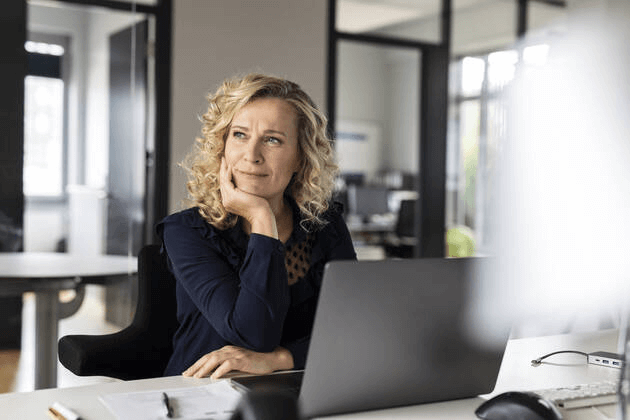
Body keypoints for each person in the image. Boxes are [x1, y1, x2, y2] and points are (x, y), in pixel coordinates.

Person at [157, 73, 357, 379]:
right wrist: (263, 218)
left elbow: (351, 328)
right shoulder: (186, 232)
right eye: (239, 135)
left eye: (273, 140)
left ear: (301, 158)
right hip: (202, 393)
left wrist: (282, 359)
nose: (252, 156)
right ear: (221, 146)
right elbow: (252, 335)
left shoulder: (325, 224)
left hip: (302, 386)